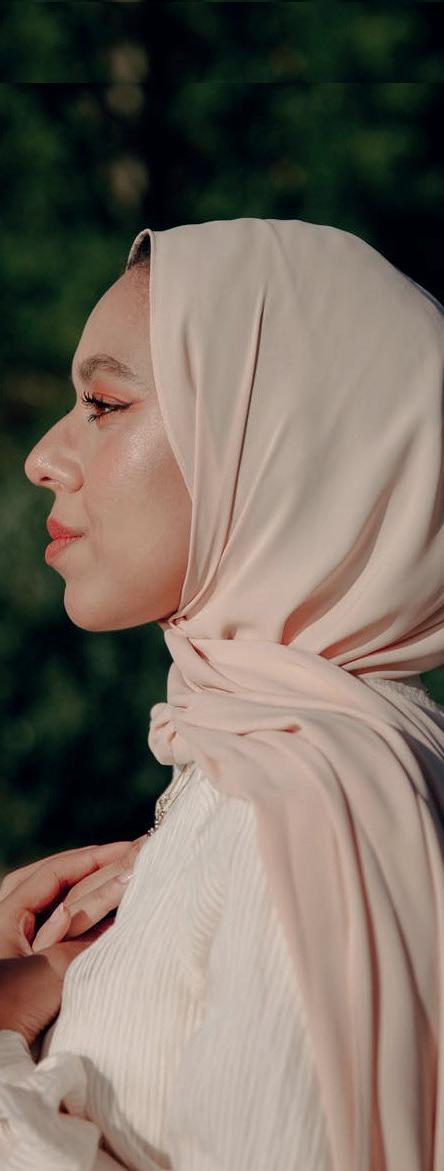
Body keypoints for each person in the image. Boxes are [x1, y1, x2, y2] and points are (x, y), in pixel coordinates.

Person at [0, 216, 444, 1171]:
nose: (44, 455)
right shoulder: (252, 777)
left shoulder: (314, 801)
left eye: (104, 404)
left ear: (280, 445)